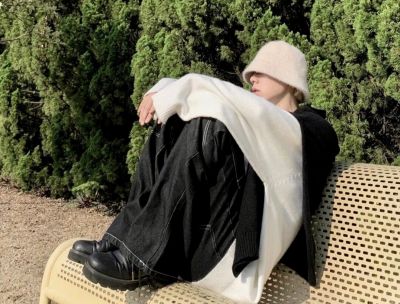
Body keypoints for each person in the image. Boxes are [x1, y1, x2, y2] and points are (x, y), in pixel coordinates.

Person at [68, 40, 339, 304]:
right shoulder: (257, 121)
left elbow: (240, 107)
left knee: (210, 121)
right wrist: (167, 90)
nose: (252, 78)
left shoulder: (312, 128)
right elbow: (237, 106)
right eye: (251, 73)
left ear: (289, 80)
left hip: (234, 255)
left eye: (262, 71)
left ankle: (139, 257)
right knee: (173, 120)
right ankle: (123, 241)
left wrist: (180, 87)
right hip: (202, 236)